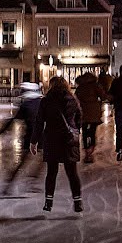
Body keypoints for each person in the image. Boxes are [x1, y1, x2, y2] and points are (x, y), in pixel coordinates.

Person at [39, 76, 84, 213]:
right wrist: (76, 130)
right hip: (69, 139)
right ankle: (77, 203)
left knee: (51, 172)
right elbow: (79, 117)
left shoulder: (46, 101)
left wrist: (34, 141)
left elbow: (39, 121)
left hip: (52, 138)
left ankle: (48, 202)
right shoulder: (72, 100)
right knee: (72, 173)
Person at [0, 82, 43, 195]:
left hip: (30, 137)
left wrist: (1, 132)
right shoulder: (42, 103)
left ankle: (8, 185)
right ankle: (31, 181)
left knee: (22, 162)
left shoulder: (26, 105)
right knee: (42, 160)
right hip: (41, 137)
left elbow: (13, 120)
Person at [75, 70, 107, 163]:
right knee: (92, 132)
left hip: (83, 112)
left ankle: (86, 152)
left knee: (84, 132)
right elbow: (103, 96)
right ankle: (90, 151)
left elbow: (76, 97)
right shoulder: (96, 85)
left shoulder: (80, 87)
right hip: (94, 112)